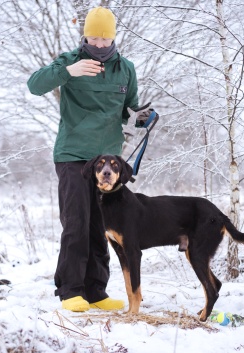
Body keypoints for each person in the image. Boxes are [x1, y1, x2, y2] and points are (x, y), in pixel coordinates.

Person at [27, 6, 151, 312]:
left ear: (113, 38)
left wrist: (140, 118)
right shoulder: (69, 61)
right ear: (85, 35)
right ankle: (70, 291)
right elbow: (34, 85)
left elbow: (129, 109)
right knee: (77, 222)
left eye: (103, 38)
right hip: (73, 155)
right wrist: (67, 72)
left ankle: (96, 291)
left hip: (108, 160)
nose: (97, 44)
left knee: (100, 225)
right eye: (92, 37)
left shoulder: (126, 69)